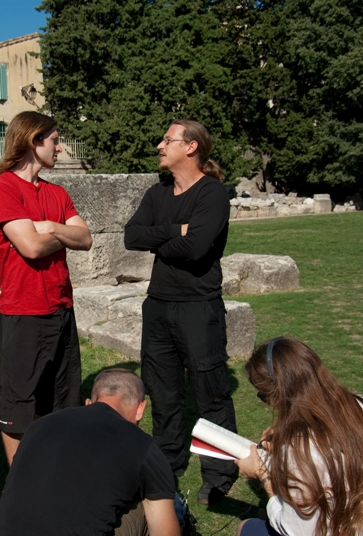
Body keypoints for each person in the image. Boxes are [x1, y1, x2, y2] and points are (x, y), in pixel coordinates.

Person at [124, 119, 237, 504]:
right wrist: (176, 231)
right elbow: (131, 235)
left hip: (198, 308)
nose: (160, 144)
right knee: (162, 391)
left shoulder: (213, 193)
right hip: (158, 306)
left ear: (191, 147)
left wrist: (162, 238)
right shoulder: (158, 192)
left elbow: (197, 249)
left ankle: (220, 474)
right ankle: (167, 463)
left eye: (167, 139)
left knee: (211, 393)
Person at [0, 111, 93, 466]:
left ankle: (55, 476)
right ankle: (21, 488)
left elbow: (86, 237)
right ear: (34, 141)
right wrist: (60, 233)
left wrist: (49, 226)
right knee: (19, 410)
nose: (59, 148)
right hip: (24, 314)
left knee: (62, 401)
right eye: (54, 140)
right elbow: (29, 248)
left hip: (61, 311)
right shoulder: (3, 189)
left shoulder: (56, 193)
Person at [235, 337, 363, 536]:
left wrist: (263, 475)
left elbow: (295, 532)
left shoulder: (299, 449)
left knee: (244, 528)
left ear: (278, 395)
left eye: (263, 396)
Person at [0, 369, 180, 536]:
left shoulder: (39, 425)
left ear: (89, 403)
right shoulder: (143, 445)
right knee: (149, 504)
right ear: (140, 409)